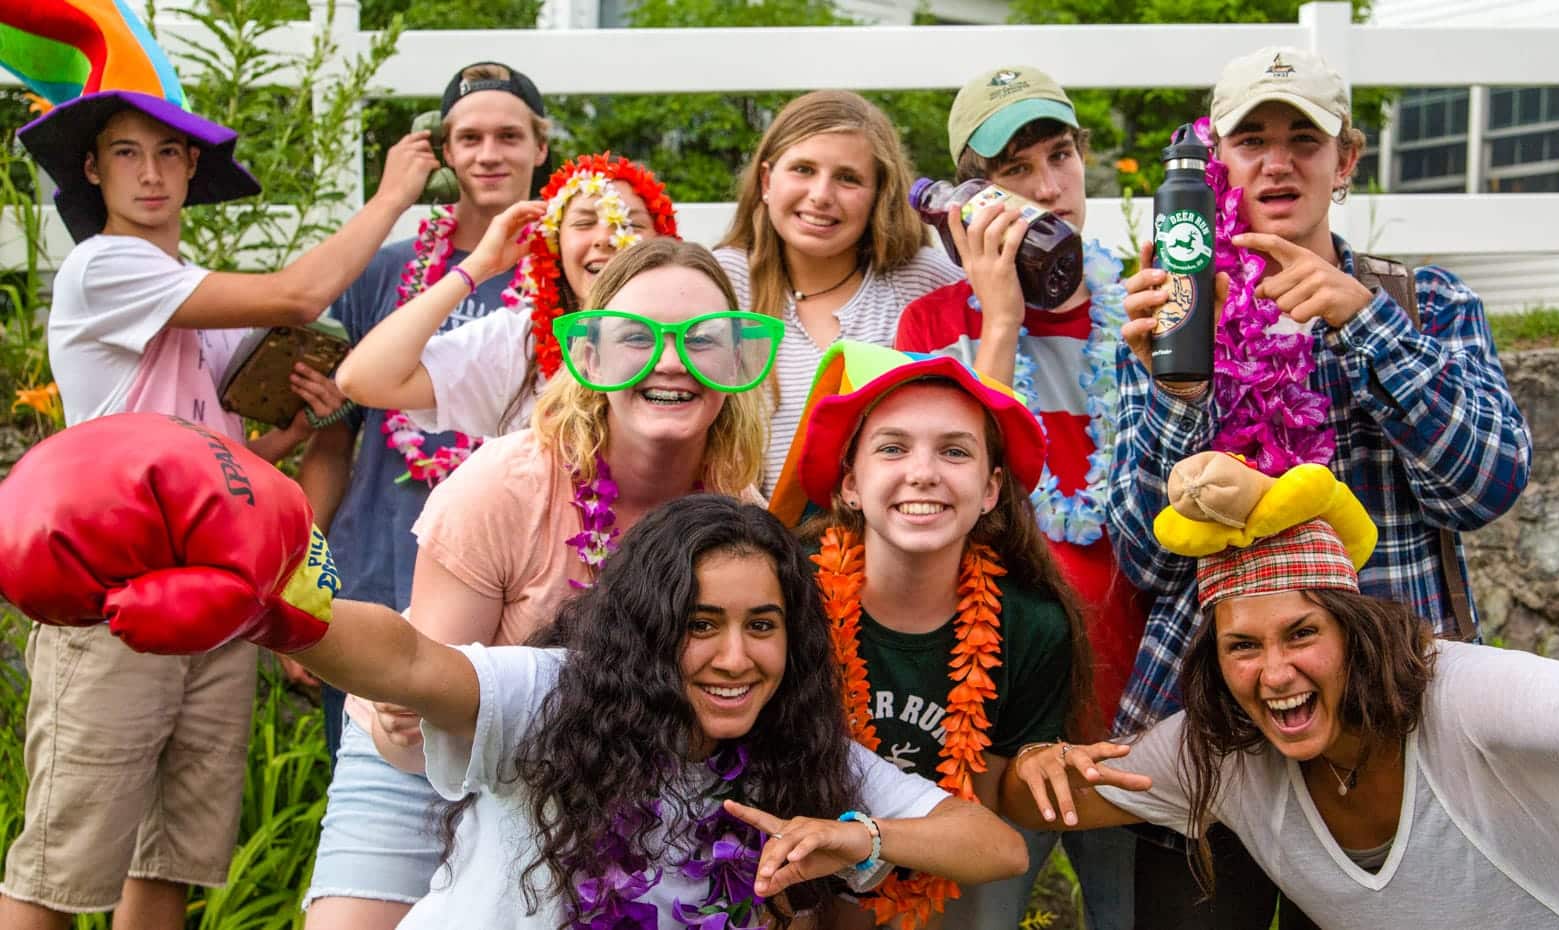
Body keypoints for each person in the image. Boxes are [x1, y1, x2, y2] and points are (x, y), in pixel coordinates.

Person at [0, 416, 1035, 930]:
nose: (733, 656)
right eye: (699, 624)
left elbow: (987, 843)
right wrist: (278, 606)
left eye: (762, 626)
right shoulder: (549, 701)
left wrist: (856, 839)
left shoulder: (795, 752)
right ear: (642, 629)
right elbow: (408, 656)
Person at [1108, 46, 1532, 925]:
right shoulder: (1170, 312)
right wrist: (1180, 397)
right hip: (1219, 719)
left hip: (1386, 719)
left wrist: (1363, 323)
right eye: (1250, 138)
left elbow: (1484, 487)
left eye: (1304, 138)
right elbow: (1145, 559)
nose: (1276, 160)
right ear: (1215, 158)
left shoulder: (1427, 305)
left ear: (1346, 161)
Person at [0, 88, 427, 930]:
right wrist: (391, 198)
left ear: (193, 168)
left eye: (169, 154)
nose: (151, 173)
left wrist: (299, 429)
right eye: (126, 153)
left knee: (173, 859)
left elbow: (213, 456)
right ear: (92, 169)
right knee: (62, 857)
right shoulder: (105, 267)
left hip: (216, 598)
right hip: (114, 589)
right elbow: (299, 296)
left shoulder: (206, 314)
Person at [302, 237, 782, 927]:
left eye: (703, 340)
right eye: (634, 338)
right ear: (589, 356)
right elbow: (408, 725)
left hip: (588, 781)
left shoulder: (738, 520)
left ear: (739, 360)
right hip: (419, 772)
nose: (672, 361)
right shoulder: (505, 486)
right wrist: (402, 718)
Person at [1004, 455, 1559, 929]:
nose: (1276, 673)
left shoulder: (1459, 693)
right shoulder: (1221, 753)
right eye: (1243, 647)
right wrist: (1037, 762)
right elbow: (1033, 799)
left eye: (1302, 633)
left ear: (1355, 633)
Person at [893, 65, 1146, 928]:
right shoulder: (934, 326)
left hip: (1135, 706)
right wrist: (998, 322)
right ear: (968, 195)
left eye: (1061, 155)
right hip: (997, 714)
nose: (1047, 188)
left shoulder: (1145, 301)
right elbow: (949, 500)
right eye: (1014, 171)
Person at [786, 342, 1107, 930]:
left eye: (954, 451)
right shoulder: (788, 596)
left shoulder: (1032, 626)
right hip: (787, 884)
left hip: (940, 884)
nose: (924, 473)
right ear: (850, 484)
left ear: (990, 490)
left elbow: (977, 810)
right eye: (893, 448)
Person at [285, 60, 550, 762]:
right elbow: (332, 435)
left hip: (508, 586)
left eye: (508, 136)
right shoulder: (385, 269)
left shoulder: (569, 271)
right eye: (469, 138)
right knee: (368, 775)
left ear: (541, 147)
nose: (489, 154)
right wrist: (300, 580)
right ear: (444, 152)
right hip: (376, 562)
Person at [715, 90, 963, 494]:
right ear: (766, 181)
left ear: (879, 195)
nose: (821, 195)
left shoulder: (922, 281)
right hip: (755, 537)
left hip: (894, 536)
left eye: (848, 178)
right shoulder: (725, 282)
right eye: (803, 169)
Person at [332, 150, 678, 438]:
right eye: (585, 223)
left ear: (662, 245)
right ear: (554, 246)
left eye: (629, 224)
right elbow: (362, 379)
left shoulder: (696, 339)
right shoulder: (516, 343)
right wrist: (477, 268)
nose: (605, 238)